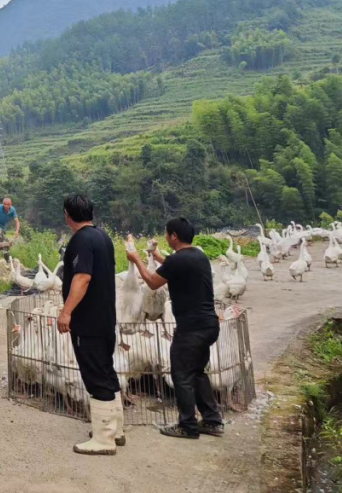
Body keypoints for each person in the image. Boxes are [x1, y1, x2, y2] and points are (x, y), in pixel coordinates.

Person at [126, 217, 223, 439]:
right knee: (197, 373)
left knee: (181, 375)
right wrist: (154, 254)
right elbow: (172, 264)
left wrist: (136, 259)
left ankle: (187, 425)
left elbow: (152, 281)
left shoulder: (178, 261)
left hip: (191, 329)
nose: (166, 237)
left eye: (167, 234)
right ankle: (212, 421)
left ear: (174, 236)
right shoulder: (198, 256)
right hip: (208, 325)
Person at [56, 194, 122, 455]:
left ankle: (104, 440)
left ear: (67, 215)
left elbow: (82, 278)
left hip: (88, 320)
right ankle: (116, 430)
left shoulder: (81, 241)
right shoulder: (103, 237)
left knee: (95, 375)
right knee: (106, 371)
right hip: (105, 318)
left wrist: (66, 312)